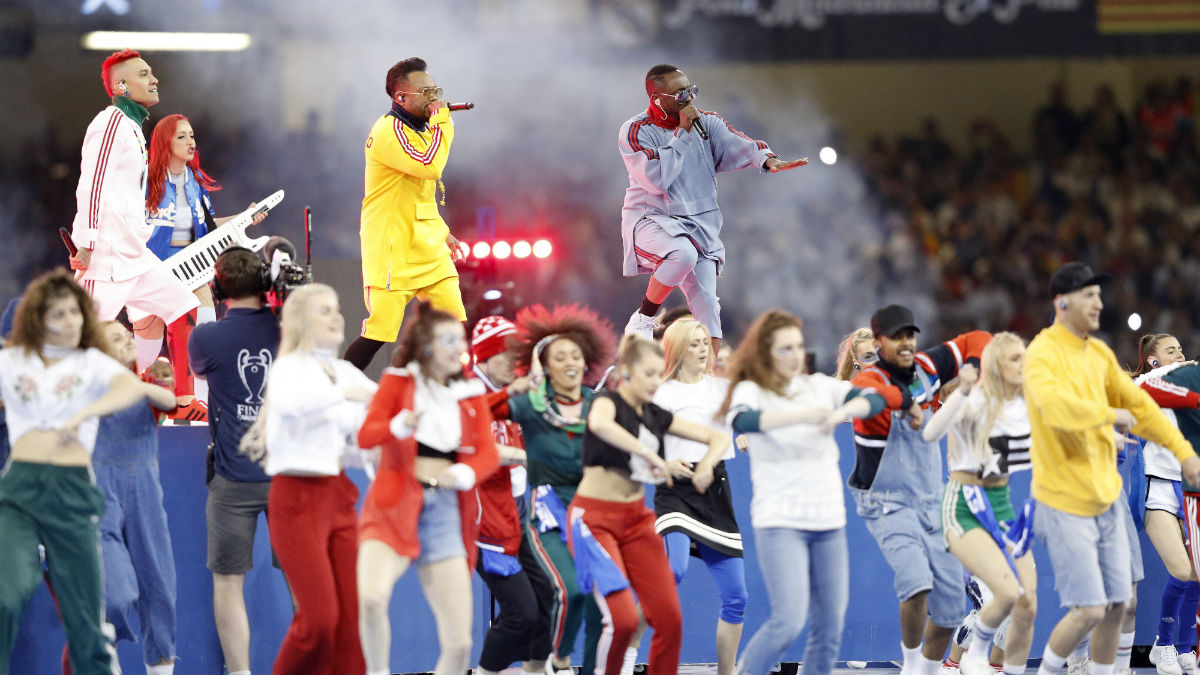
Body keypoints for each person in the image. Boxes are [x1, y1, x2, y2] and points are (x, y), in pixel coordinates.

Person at [1023, 262, 1200, 675]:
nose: (1100, 303)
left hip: (1109, 495)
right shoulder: (1042, 354)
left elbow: (1140, 407)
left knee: (1124, 601)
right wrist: (1103, 420)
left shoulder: (1099, 354)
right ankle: (1055, 668)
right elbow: (1053, 407)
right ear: (1063, 302)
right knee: (1089, 609)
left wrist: (1183, 451)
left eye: (1100, 295)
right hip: (1065, 494)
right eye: (1090, 295)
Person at [0, 270, 176, 674]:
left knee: (119, 602)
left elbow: (148, 394)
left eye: (74, 313)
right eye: (57, 314)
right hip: (42, 492)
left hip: (95, 491)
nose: (68, 321)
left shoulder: (98, 369)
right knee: (15, 597)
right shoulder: (26, 364)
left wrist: (91, 408)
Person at [718, 309, 884, 675]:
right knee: (789, 620)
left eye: (798, 347)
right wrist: (801, 416)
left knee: (829, 629)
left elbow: (876, 399)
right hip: (780, 522)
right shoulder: (752, 390)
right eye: (784, 349)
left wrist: (845, 411)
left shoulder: (821, 387)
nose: (794, 355)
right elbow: (743, 420)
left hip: (828, 523)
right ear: (765, 352)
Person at [618, 63, 807, 352]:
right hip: (653, 218)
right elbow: (657, 180)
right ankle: (644, 318)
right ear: (658, 100)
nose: (690, 99)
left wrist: (767, 159)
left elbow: (739, 143)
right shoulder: (635, 130)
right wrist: (682, 135)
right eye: (681, 94)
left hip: (699, 222)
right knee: (682, 254)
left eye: (691, 90)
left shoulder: (707, 121)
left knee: (707, 303)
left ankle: (709, 376)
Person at [573, 334, 730, 675]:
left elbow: (718, 437)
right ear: (626, 372)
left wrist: (705, 465)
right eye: (649, 374)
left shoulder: (657, 415)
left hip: (635, 520)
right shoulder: (607, 402)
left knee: (670, 618)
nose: (656, 381)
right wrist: (647, 453)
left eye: (660, 374)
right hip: (594, 519)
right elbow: (600, 425)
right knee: (624, 620)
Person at [356, 302, 499, 675]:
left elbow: (487, 454)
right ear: (426, 344)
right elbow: (367, 435)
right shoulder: (398, 382)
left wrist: (466, 474)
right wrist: (398, 426)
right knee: (370, 599)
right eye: (448, 340)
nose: (458, 348)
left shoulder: (469, 394)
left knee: (460, 643)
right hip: (393, 504)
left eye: (461, 340)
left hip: (446, 510)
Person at [237, 284, 373, 674]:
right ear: (300, 321)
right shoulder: (288, 369)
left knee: (352, 623)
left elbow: (378, 418)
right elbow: (297, 406)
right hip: (296, 500)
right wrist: (347, 394)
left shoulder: (345, 372)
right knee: (318, 622)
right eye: (324, 311)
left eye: (336, 309)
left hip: (339, 496)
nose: (337, 317)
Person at [849, 304, 991, 675]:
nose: (906, 343)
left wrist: (972, 366)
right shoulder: (868, 380)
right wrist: (908, 401)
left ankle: (926, 671)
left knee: (949, 612)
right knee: (915, 584)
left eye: (910, 335)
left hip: (931, 497)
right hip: (885, 501)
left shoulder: (928, 367)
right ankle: (911, 666)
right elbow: (874, 399)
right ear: (879, 343)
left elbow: (979, 338)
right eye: (897, 337)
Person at [490, 303, 617, 675]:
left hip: (592, 510)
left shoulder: (600, 405)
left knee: (600, 603)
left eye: (576, 354)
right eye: (559, 357)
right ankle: (557, 661)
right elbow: (475, 414)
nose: (570, 362)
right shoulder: (529, 405)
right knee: (571, 590)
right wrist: (518, 385)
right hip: (546, 512)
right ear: (544, 366)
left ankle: (592, 668)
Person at [68, 49, 198, 369]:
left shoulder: (133, 128)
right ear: (122, 87)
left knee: (185, 308)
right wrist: (86, 242)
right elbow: (92, 183)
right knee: (77, 342)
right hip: (107, 259)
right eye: (143, 74)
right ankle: (55, 405)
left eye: (151, 73)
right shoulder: (111, 120)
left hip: (135, 256)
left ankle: (169, 394)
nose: (153, 80)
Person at [187, 246, 281, 675]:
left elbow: (201, 366)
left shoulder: (207, 336)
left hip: (231, 476)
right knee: (304, 577)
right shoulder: (289, 331)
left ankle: (240, 673)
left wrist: (205, 309)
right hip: (287, 477)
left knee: (228, 582)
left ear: (218, 286)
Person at [921, 332, 1038, 675]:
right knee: (1003, 594)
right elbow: (930, 434)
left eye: (1024, 357)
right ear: (997, 365)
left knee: (1027, 604)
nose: (1023, 364)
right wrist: (963, 392)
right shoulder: (971, 399)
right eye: (1015, 358)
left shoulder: (1025, 403)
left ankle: (996, 665)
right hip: (963, 506)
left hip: (1001, 507)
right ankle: (973, 655)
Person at [344, 57, 465, 372]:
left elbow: (418, 193)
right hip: (392, 249)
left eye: (435, 90)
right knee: (379, 333)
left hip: (427, 246)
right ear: (401, 98)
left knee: (453, 325)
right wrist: (444, 122)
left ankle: (454, 392)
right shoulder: (388, 131)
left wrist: (442, 231)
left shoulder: (423, 129)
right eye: (426, 92)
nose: (434, 98)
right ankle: (338, 389)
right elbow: (429, 166)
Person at [144, 113, 267, 416]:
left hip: (192, 263)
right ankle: (142, 393)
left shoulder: (194, 182)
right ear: (165, 142)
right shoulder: (145, 181)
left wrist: (244, 217)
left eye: (192, 136)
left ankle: (200, 398)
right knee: (148, 333)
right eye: (182, 136)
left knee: (204, 310)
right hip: (153, 266)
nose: (191, 142)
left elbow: (209, 226)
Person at [652, 319, 747, 675]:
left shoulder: (722, 389)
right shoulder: (660, 392)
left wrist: (748, 433)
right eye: (693, 344)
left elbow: (747, 416)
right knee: (672, 570)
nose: (702, 348)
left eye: (704, 342)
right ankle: (629, 648)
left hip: (715, 490)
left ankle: (726, 672)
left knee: (737, 596)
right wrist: (662, 462)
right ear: (675, 349)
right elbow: (639, 448)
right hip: (676, 489)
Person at [468, 315, 556, 675]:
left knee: (548, 596)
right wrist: (525, 456)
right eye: (507, 355)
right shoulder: (468, 391)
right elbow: (476, 445)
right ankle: (486, 673)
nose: (514, 363)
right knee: (521, 610)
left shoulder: (510, 396)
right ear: (485, 357)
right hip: (481, 517)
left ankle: (538, 670)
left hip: (515, 510)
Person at [94, 322, 179, 675]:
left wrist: (142, 385)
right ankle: (104, 654)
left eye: (128, 335)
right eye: (116, 338)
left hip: (145, 492)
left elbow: (170, 400)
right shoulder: (87, 390)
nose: (128, 339)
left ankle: (159, 668)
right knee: (114, 595)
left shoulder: (149, 380)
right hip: (101, 493)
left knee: (159, 587)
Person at [1132, 334, 1200, 675]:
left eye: (1181, 349)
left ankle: (1185, 648)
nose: (1181, 354)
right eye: (1171, 350)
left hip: (1189, 488)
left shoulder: (1187, 389)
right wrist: (1178, 370)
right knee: (1181, 570)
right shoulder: (1148, 384)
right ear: (1154, 360)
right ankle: (1163, 644)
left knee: (1198, 574)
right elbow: (1138, 388)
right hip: (1157, 486)